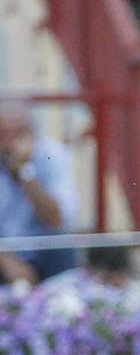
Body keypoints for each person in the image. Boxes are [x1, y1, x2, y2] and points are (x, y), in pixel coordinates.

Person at [0, 98, 80, 286]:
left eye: (19, 133)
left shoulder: (52, 154)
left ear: (32, 133)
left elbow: (57, 219)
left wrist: (24, 172)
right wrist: (5, 260)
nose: (11, 143)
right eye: (3, 134)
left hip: (42, 250)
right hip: (3, 252)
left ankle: (63, 301)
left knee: (61, 243)